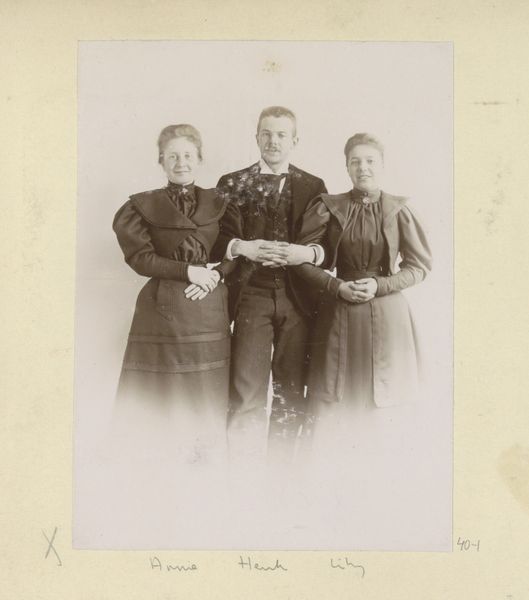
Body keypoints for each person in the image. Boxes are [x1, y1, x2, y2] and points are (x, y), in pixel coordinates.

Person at [294, 133, 432, 457]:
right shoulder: (328, 207)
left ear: (382, 165)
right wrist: (336, 286)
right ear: (346, 167)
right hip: (338, 315)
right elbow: (301, 261)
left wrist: (380, 285)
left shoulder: (399, 210)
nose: (363, 168)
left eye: (370, 161)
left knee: (385, 402)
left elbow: (420, 266)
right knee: (336, 399)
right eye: (355, 161)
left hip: (388, 317)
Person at [211, 106, 327, 463]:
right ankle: (244, 475)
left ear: (295, 140)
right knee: (245, 392)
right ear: (256, 137)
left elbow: (327, 244)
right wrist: (241, 246)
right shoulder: (232, 183)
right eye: (267, 134)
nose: (273, 141)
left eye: (281, 135)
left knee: (291, 392)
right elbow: (214, 239)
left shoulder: (313, 186)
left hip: (298, 300)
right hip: (251, 297)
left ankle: (281, 476)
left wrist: (305, 253)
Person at [111, 124, 230, 464]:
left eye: (188, 155)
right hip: (161, 309)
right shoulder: (140, 205)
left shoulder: (220, 203)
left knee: (203, 397)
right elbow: (140, 258)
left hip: (208, 307)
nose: (181, 162)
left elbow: (233, 251)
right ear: (161, 161)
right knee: (160, 398)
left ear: (200, 159)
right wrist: (188, 271)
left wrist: (216, 274)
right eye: (173, 156)